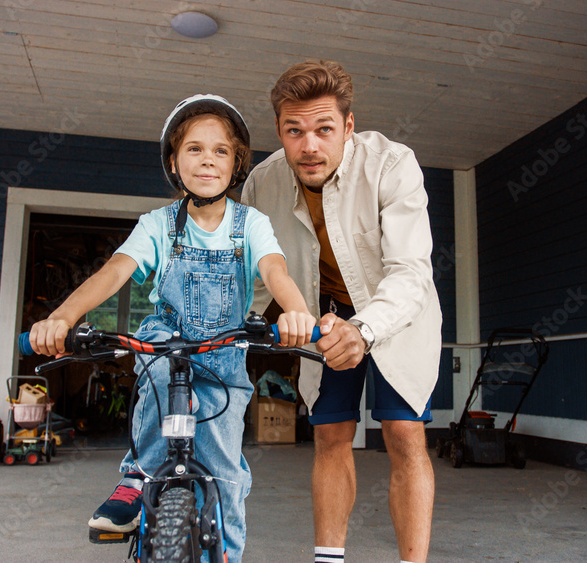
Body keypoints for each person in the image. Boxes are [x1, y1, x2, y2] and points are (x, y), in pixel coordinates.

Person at [29, 94, 316, 562]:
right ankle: (138, 476)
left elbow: (275, 270)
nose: (208, 159)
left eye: (221, 150)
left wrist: (296, 311)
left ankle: (225, 553)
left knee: (225, 474)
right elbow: (114, 273)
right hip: (167, 340)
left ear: (236, 163)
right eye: (194, 149)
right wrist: (63, 316)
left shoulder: (252, 224)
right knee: (160, 370)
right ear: (174, 162)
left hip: (224, 355)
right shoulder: (159, 225)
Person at [241, 61, 442, 563]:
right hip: (320, 316)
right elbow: (252, 279)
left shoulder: (393, 164)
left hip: (395, 312)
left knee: (402, 431)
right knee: (330, 434)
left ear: (348, 127)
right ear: (280, 132)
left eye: (324, 129)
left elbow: (411, 271)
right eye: (295, 131)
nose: (310, 146)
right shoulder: (261, 185)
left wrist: (366, 328)